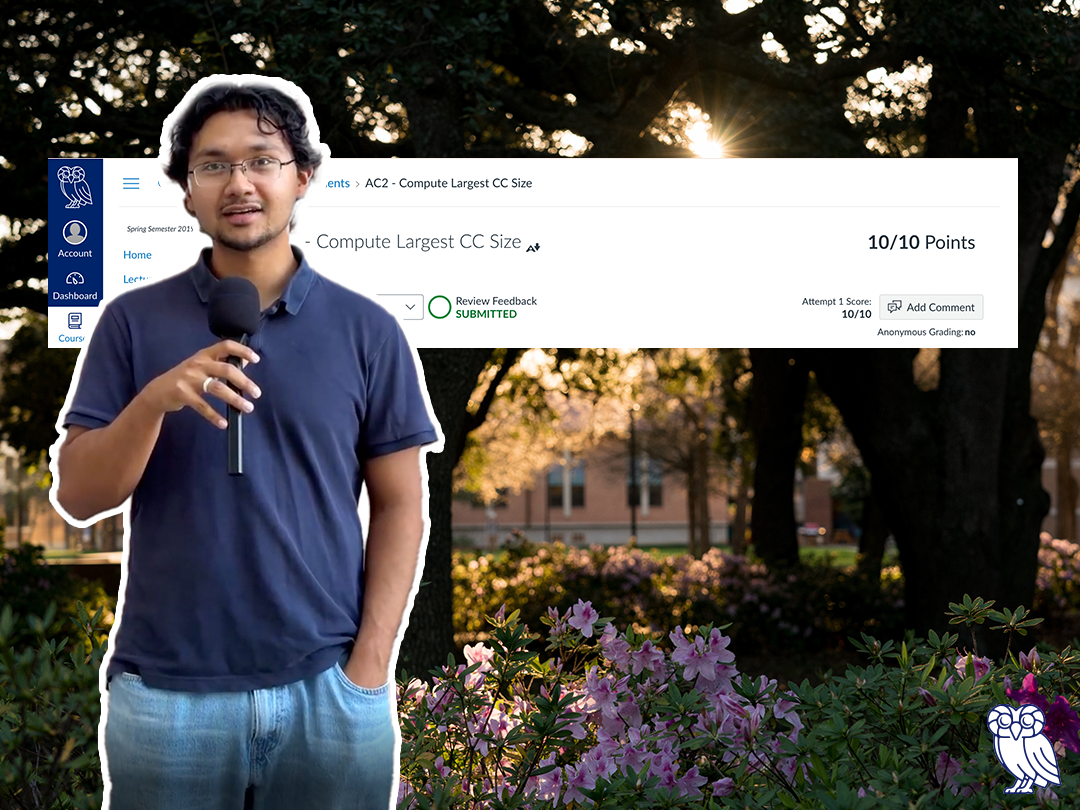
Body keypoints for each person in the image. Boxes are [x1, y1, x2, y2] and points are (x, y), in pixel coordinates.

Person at [51, 76, 440, 810]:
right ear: (187, 192)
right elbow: (78, 495)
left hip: (329, 691)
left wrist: (369, 668)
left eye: (262, 159)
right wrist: (154, 402)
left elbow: (401, 508)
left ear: (303, 177)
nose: (240, 182)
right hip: (167, 696)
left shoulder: (369, 331)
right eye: (213, 164)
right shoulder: (129, 323)